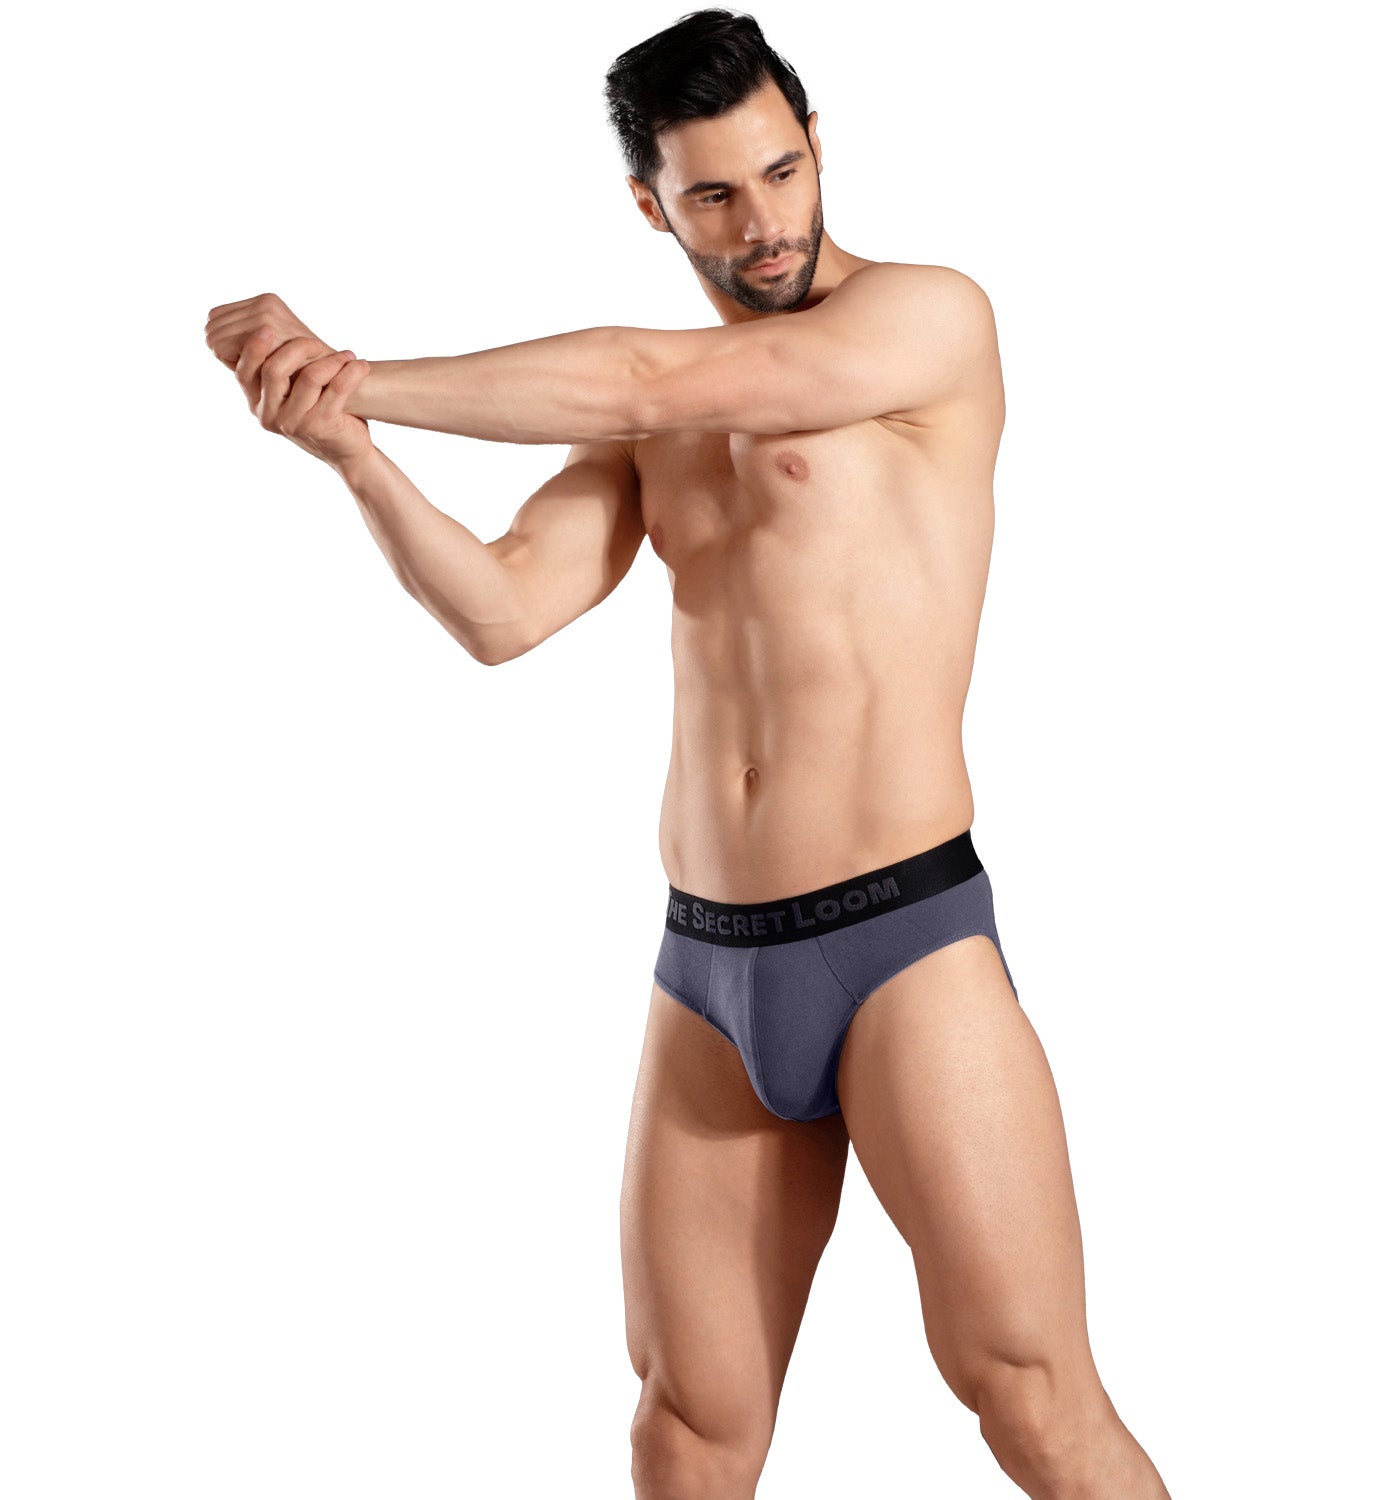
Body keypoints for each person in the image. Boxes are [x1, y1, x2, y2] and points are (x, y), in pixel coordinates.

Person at [204, 10, 1171, 1497]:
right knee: (688, 1427)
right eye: (714, 194)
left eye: (783, 171)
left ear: (818, 145)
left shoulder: (926, 322)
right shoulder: (647, 419)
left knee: (1029, 1395)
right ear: (651, 206)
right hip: (711, 966)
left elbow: (651, 379)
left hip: (903, 941)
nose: (765, 220)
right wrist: (352, 449)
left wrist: (354, 367)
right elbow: (504, 612)